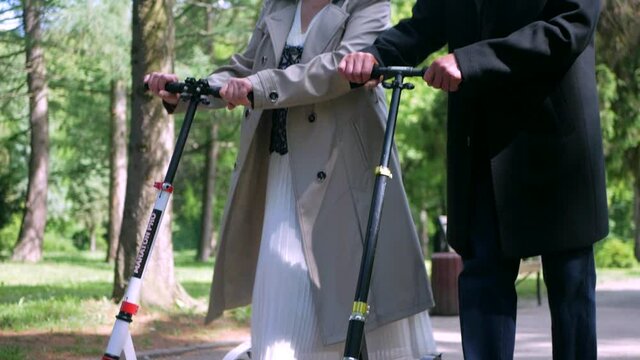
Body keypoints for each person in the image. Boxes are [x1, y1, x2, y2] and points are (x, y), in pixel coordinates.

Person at [145, 0, 440, 358]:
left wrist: (259, 85)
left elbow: (338, 69)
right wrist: (191, 89)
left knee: (358, 320)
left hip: (342, 176)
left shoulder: (368, 4)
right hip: (280, 174)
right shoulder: (277, 5)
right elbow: (245, 67)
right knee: (278, 319)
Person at [339, 0, 608, 359]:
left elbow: (570, 26)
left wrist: (470, 61)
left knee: (570, 292)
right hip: (480, 151)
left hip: (559, 148)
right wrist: (376, 54)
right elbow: (427, 23)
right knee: (483, 285)